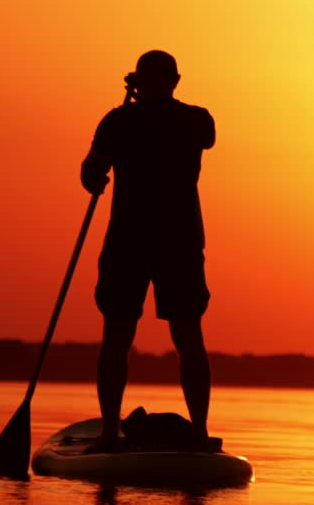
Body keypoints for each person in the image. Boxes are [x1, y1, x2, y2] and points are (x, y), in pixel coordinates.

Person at [80, 50, 216, 451]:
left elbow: (90, 172)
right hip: (165, 242)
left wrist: (97, 175)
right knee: (185, 338)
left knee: (121, 337)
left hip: (145, 242)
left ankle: (110, 433)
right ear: (176, 81)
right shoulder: (191, 119)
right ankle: (198, 433)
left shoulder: (122, 121)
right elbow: (93, 170)